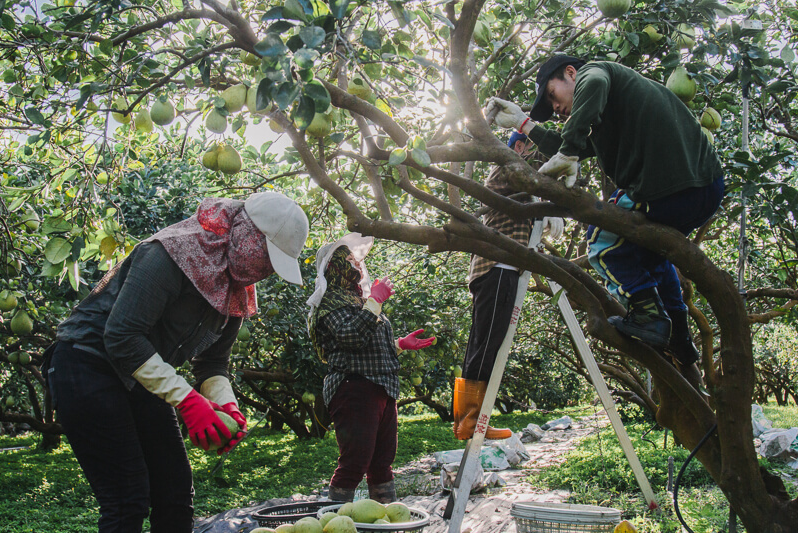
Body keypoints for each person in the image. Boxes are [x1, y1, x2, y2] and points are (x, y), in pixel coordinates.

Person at [43, 192, 310, 533]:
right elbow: (122, 337)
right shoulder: (169, 254)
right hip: (87, 363)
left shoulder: (235, 292)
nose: (267, 271)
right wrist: (187, 401)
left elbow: (212, 363)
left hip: (141, 377)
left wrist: (225, 406)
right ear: (246, 237)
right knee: (127, 497)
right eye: (267, 258)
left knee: (175, 495)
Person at [485, 55, 724, 383]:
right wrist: (523, 123)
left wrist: (568, 151)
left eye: (553, 96)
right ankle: (679, 339)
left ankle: (651, 318)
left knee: (602, 239)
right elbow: (572, 146)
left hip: (675, 186)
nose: (554, 107)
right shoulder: (604, 115)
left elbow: (590, 91)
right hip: (698, 189)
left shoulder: (596, 73)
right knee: (649, 256)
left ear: (571, 73)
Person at [306, 233, 435, 503]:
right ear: (335, 266)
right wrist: (375, 302)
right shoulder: (329, 304)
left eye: (356, 259)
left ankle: (382, 519)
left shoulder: (358, 301)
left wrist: (399, 344)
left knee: (382, 461)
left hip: (381, 388)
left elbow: (368, 345)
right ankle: (336, 522)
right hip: (354, 389)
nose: (356, 264)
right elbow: (351, 338)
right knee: (355, 461)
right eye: (349, 259)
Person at [455, 133, 564, 440]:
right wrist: (550, 206)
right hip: (499, 269)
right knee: (488, 344)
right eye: (532, 148)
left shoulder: (511, 176)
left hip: (492, 269)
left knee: (481, 343)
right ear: (519, 146)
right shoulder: (509, 166)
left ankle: (466, 419)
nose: (536, 157)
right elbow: (536, 187)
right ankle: (471, 420)